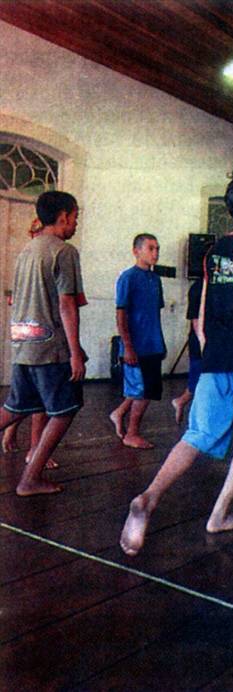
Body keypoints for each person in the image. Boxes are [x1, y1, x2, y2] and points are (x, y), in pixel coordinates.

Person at [120, 175, 233, 555]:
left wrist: (209, 348)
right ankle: (218, 515)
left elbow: (200, 318)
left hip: (216, 358)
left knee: (197, 434)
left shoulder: (213, 251)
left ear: (230, 210)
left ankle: (149, 496)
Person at [0, 191, 86, 496]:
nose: (76, 223)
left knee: (15, 408)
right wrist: (75, 353)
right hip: (50, 348)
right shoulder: (65, 251)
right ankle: (30, 479)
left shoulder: (28, 249)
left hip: (23, 343)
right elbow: (67, 305)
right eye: (75, 217)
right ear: (63, 216)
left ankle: (31, 476)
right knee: (64, 410)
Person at [109, 234, 166, 449]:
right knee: (142, 391)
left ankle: (119, 412)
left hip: (153, 344)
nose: (155, 253)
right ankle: (131, 434)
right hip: (136, 346)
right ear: (136, 251)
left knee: (148, 388)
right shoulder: (128, 278)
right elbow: (121, 314)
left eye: (157, 248)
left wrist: (160, 342)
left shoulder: (156, 280)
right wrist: (128, 347)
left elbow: (153, 314)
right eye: (150, 248)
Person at [172, 278, 203, 424]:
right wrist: (203, 344)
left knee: (199, 382)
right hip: (200, 344)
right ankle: (182, 402)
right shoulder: (198, 287)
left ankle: (181, 401)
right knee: (198, 381)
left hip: (211, 342)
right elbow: (195, 320)